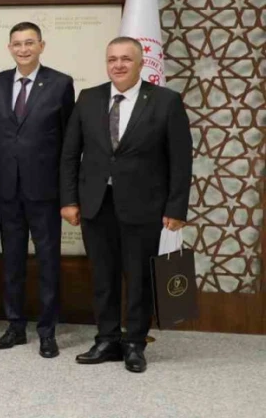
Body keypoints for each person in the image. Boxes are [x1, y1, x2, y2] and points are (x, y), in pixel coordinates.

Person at [60, 37, 192, 373]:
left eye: (126, 59)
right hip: (95, 205)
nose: (118, 65)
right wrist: (69, 200)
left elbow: (180, 160)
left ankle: (134, 342)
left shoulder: (166, 101)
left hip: (144, 205)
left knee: (139, 278)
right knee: (102, 277)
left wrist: (176, 209)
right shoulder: (88, 98)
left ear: (141, 63)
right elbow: (70, 154)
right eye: (112, 59)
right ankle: (106, 338)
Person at [0, 22, 75, 358]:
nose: (23, 49)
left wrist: (68, 194)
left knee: (48, 262)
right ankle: (15, 327)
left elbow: (68, 144)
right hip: (6, 190)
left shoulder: (60, 83)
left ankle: (47, 331)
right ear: (9, 48)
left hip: (45, 191)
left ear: (41, 46)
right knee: (12, 262)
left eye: (29, 43)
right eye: (17, 44)